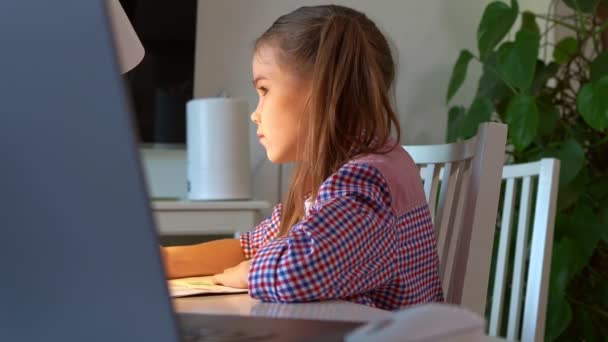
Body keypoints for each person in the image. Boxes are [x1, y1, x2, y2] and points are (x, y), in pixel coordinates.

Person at [162, 4, 444, 310]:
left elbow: (296, 270)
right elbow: (251, 246)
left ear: (323, 92)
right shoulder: (344, 173)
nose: (255, 114)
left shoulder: (364, 184)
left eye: (264, 89)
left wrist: (247, 273)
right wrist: (163, 260)